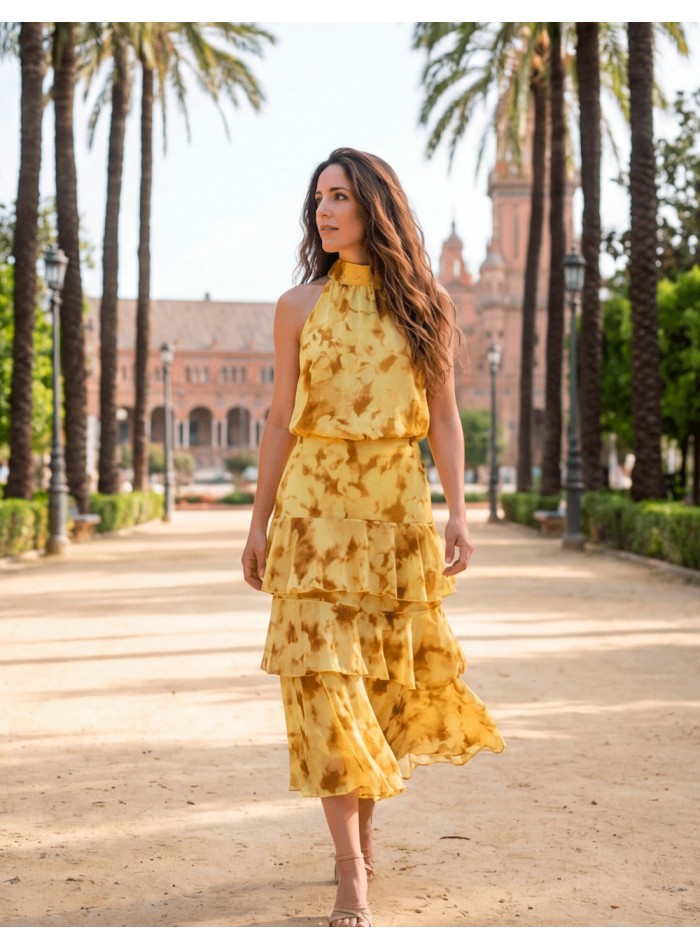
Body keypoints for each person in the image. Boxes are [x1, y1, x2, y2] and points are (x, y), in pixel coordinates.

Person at [241, 147, 505, 927]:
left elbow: (445, 418)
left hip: (394, 517)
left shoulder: (426, 303)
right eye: (319, 197)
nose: (324, 211)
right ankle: (350, 866)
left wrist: (459, 511)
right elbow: (280, 418)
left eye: (340, 198)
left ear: (373, 209)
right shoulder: (297, 305)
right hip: (312, 517)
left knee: (379, 688)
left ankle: (360, 834)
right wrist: (258, 521)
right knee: (322, 684)